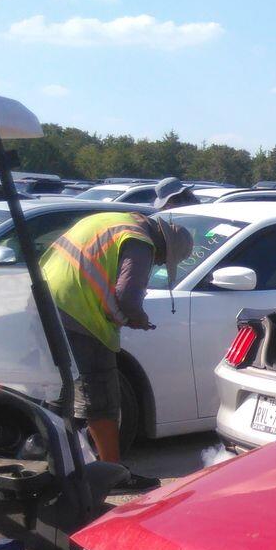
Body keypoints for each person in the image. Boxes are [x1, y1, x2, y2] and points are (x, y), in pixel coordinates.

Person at [40, 179, 195, 492]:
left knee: (59, 393)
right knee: (102, 398)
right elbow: (126, 297)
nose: (158, 263)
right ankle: (113, 475)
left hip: (43, 301)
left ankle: (59, 464)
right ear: (163, 247)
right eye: (163, 261)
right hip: (77, 314)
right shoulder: (140, 241)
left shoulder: (110, 220)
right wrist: (137, 319)